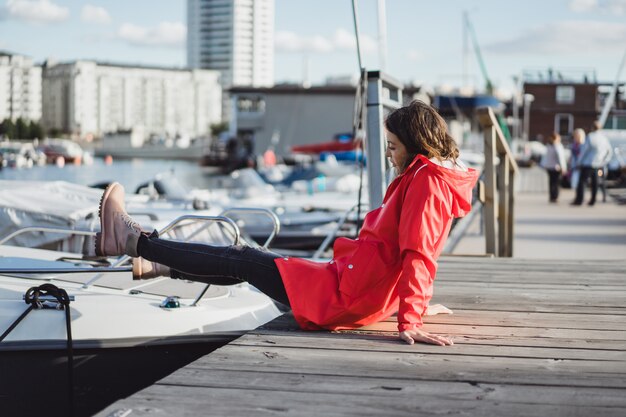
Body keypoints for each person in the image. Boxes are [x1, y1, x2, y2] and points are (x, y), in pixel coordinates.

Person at [94, 100, 479, 346]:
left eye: (393, 147)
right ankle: (159, 263)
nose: (390, 155)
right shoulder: (427, 176)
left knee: (242, 258)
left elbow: (419, 254)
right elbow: (408, 254)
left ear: (416, 145)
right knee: (246, 262)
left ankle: (134, 242)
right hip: (348, 285)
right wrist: (411, 304)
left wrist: (410, 317)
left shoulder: (427, 181)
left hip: (342, 296)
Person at [572, 122, 613, 206]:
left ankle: (579, 200)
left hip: (587, 164)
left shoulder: (590, 137)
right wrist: (604, 161)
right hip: (599, 165)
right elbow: (609, 151)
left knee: (582, 182)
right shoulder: (604, 138)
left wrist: (579, 162)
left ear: (592, 128)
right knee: (596, 182)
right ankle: (593, 200)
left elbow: (583, 151)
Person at [540, 133, 567, 203]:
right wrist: (563, 167)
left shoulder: (548, 145)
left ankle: (552, 196)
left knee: (551, 182)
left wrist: (544, 165)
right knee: (556, 183)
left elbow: (545, 157)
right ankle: (555, 196)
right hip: (556, 167)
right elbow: (560, 158)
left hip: (549, 167)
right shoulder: (557, 146)